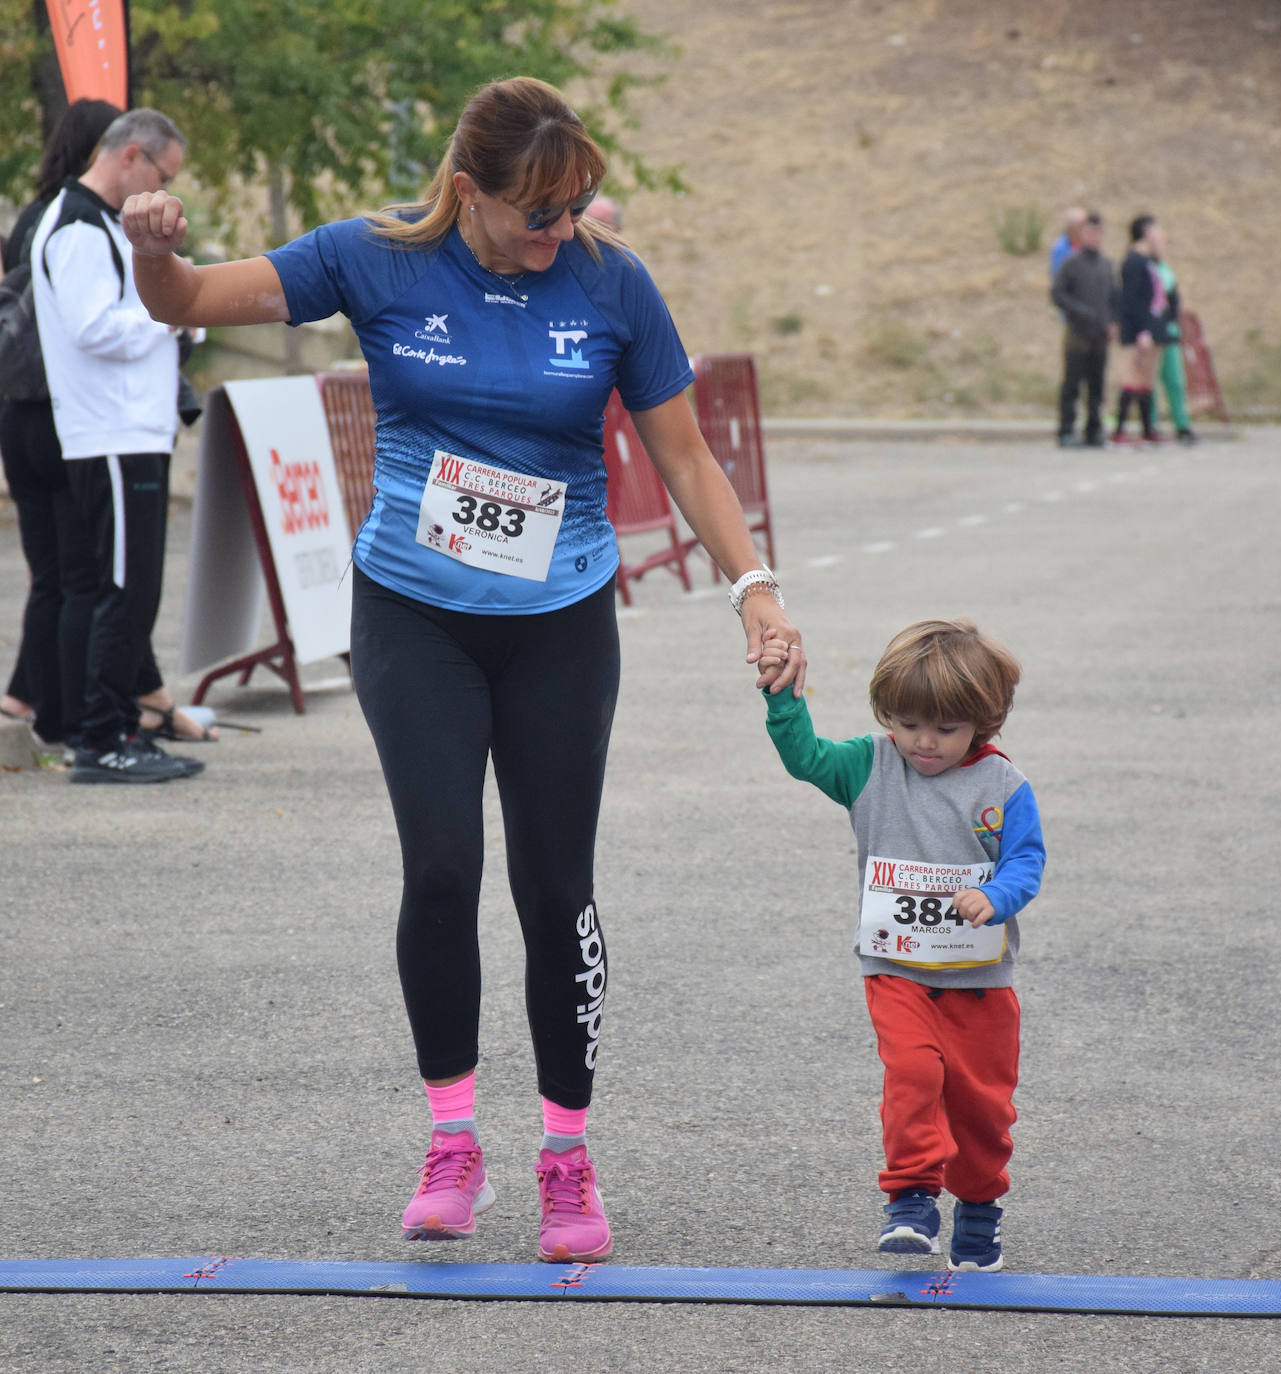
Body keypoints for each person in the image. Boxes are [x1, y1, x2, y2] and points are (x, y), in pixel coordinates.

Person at [122, 75, 806, 1262]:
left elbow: (690, 460)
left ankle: (565, 1154)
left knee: (556, 893)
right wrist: (150, 250)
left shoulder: (609, 281)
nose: (561, 231)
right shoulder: (376, 257)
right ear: (466, 189)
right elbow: (183, 300)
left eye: (579, 202)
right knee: (441, 871)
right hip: (415, 616)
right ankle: (451, 1139)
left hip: (560, 621)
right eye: (537, 211)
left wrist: (757, 595)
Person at [757, 618, 1044, 1272]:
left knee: (981, 1109)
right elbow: (805, 758)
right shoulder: (870, 762)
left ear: (983, 721)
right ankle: (911, 1198)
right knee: (913, 1074)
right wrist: (783, 700)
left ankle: (978, 1208)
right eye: (908, 722)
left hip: (979, 980)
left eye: (944, 729)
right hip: (897, 969)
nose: (923, 742)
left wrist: (996, 896)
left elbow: (1026, 860)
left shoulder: (1003, 787)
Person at [30, 107, 209, 782]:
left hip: (132, 428)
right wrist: (173, 318)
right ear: (133, 156)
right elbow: (93, 328)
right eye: (165, 176)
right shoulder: (75, 225)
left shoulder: (102, 224)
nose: (164, 193)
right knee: (124, 592)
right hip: (110, 431)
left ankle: (121, 731)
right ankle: (100, 741)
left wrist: (175, 316)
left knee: (132, 591)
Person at [0, 98, 121, 746]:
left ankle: (40, 706)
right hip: (64, 411)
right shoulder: (81, 222)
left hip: (16, 410)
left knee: (49, 578)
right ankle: (73, 718)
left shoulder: (28, 219)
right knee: (84, 577)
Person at [1049, 210, 1115, 448]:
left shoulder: (1106, 265)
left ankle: (1094, 430)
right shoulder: (1071, 263)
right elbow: (1057, 294)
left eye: (1098, 232)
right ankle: (1066, 429)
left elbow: (1113, 298)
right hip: (1077, 333)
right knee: (1072, 384)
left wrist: (1112, 322)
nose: (1094, 237)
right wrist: (1079, 312)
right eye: (1090, 232)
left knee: (1096, 385)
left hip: (1099, 334)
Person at [1111, 213, 1168, 446]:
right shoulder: (1133, 262)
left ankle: (1147, 429)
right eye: (1156, 230)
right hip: (1137, 331)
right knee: (1132, 378)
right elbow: (1132, 301)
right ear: (1146, 232)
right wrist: (1142, 331)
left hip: (1151, 329)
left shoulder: (1150, 262)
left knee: (1146, 381)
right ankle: (1119, 431)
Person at [1151, 238, 1198, 445]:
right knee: (1149, 383)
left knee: (1175, 381)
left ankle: (1182, 424)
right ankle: (1150, 424)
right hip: (1152, 334)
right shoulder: (1145, 269)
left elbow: (1173, 299)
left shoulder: (1166, 270)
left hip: (1169, 332)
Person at [1047, 207, 1085, 282]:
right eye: (1081, 226)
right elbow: (1057, 276)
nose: (1084, 229)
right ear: (1071, 228)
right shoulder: (1060, 249)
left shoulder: (1087, 244)